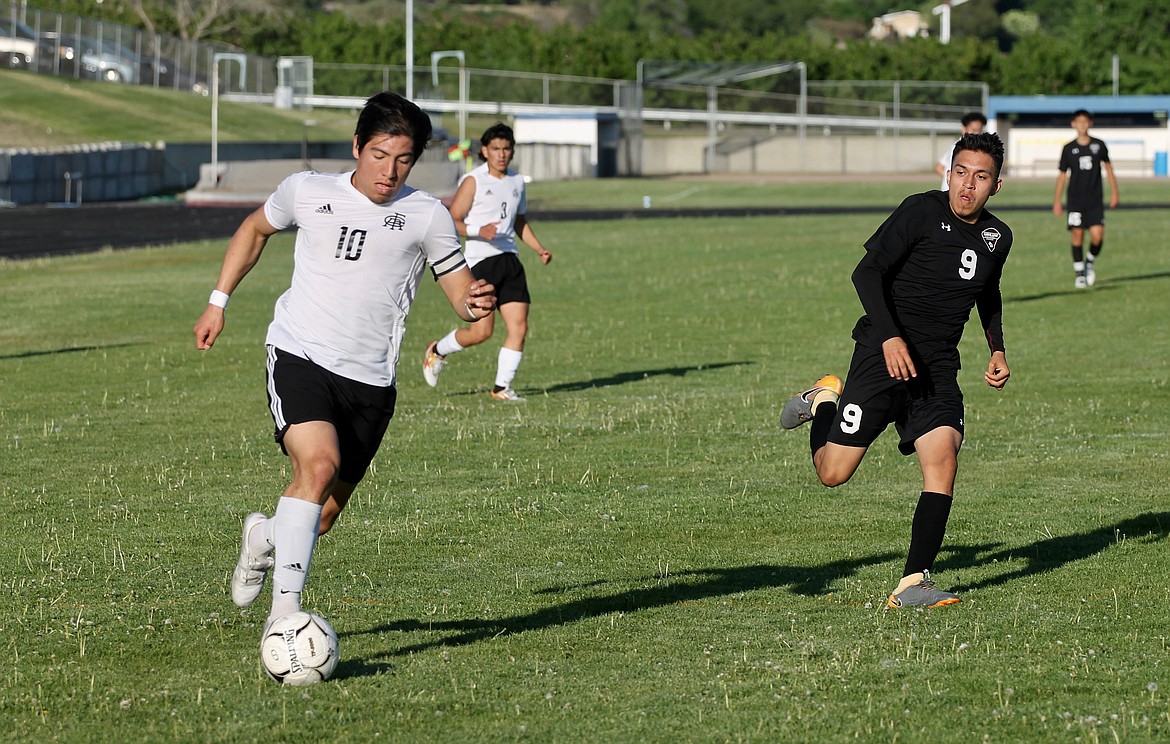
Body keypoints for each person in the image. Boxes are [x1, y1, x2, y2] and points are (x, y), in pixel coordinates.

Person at [192, 92, 497, 634]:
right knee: (318, 467)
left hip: (372, 379)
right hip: (300, 353)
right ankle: (284, 619)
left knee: (323, 516)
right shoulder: (307, 191)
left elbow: (456, 289)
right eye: (379, 155)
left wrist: (472, 300)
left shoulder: (427, 215)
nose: (389, 170)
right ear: (358, 145)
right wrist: (219, 302)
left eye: (403, 159)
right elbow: (254, 229)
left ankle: (262, 538)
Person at [781, 131, 1013, 609]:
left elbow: (987, 294)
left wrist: (997, 348)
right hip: (880, 358)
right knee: (832, 473)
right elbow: (865, 273)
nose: (967, 185)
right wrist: (889, 337)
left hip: (937, 371)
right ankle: (825, 399)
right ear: (948, 173)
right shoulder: (920, 211)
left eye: (980, 177)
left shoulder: (997, 237)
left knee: (943, 458)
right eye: (961, 172)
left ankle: (913, 582)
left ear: (997, 185)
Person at [422, 122, 552, 402]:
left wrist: (539, 249)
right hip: (481, 262)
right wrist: (479, 231)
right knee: (482, 332)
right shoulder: (474, 181)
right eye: (496, 149)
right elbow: (452, 219)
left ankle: (501, 388)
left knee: (520, 327)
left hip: (510, 261)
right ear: (485, 151)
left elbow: (519, 220)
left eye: (506, 149)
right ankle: (437, 350)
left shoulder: (517, 182)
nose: (502, 154)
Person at [1053, 109, 1119, 288]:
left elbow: (1109, 168)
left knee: (1097, 237)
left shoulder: (1099, 145)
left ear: (1090, 123)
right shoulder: (1068, 148)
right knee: (1077, 235)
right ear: (1073, 124)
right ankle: (1079, 273)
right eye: (1079, 122)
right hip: (1075, 200)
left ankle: (1089, 262)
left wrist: (1115, 192)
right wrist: (1057, 201)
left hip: (1095, 200)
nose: (1082, 125)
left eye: (1085, 121)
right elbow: (1062, 175)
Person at [934, 112, 987, 191]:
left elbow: (939, 167)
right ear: (964, 129)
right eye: (973, 130)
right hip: (954, 194)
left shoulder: (958, 145)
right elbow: (938, 167)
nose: (977, 134)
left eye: (979, 131)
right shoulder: (960, 147)